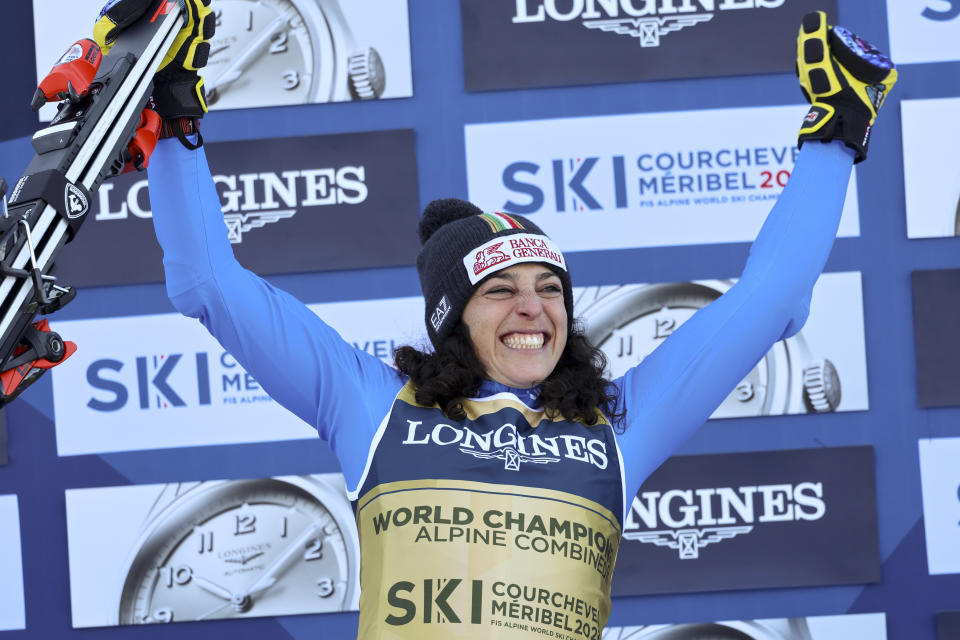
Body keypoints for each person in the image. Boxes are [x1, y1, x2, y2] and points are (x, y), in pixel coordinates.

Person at [88, 2, 896, 638]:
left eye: (550, 287)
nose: (534, 308)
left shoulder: (616, 427)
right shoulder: (374, 410)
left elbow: (772, 300)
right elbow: (208, 285)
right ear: (452, 318)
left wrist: (836, 132)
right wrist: (176, 121)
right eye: (501, 290)